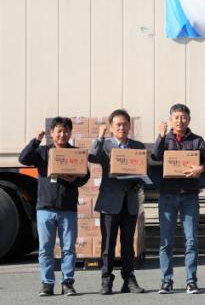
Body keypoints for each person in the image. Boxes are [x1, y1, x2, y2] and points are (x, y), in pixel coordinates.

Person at [19, 117, 90, 296]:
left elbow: (85, 176)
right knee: (45, 248)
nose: (62, 134)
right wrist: (36, 140)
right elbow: (23, 159)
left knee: (68, 248)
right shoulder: (43, 152)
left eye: (66, 131)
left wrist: (74, 179)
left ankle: (67, 283)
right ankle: (47, 284)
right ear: (52, 133)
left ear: (70, 133)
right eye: (59, 131)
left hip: (68, 208)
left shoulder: (76, 153)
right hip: (45, 208)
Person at [150, 104, 205, 294]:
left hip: (189, 195)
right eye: (176, 117)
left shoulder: (197, 140)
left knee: (191, 240)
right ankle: (166, 281)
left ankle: (191, 281)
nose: (180, 121)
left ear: (189, 119)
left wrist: (201, 168)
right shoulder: (165, 139)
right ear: (170, 120)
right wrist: (161, 135)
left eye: (183, 117)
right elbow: (155, 155)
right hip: (167, 195)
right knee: (166, 241)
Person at [88, 109, 146, 294]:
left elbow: (142, 169)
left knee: (128, 244)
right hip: (109, 201)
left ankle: (129, 279)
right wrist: (99, 137)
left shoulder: (138, 146)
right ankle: (106, 279)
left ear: (129, 126)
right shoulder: (105, 145)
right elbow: (92, 157)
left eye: (125, 124)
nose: (122, 127)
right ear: (111, 128)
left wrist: (140, 180)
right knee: (108, 244)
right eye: (118, 125)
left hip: (130, 201)